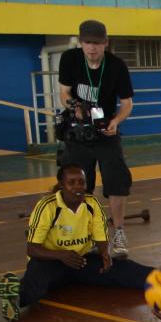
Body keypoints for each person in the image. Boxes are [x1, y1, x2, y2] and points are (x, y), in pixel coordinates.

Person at [0, 164, 161, 322]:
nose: (77, 187)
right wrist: (61, 255)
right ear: (62, 185)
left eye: (81, 182)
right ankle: (15, 300)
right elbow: (32, 249)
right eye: (71, 183)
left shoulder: (92, 204)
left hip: (81, 262)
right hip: (51, 261)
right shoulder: (47, 206)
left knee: (124, 269)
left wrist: (104, 253)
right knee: (36, 283)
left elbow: (101, 236)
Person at [57, 20, 135, 258]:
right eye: (88, 43)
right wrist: (74, 106)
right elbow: (63, 92)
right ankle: (87, 233)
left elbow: (127, 104)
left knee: (117, 181)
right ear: (81, 43)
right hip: (78, 132)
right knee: (79, 185)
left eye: (97, 44)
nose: (92, 48)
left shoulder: (117, 66)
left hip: (106, 132)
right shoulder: (69, 59)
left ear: (105, 44)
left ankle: (119, 232)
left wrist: (115, 122)